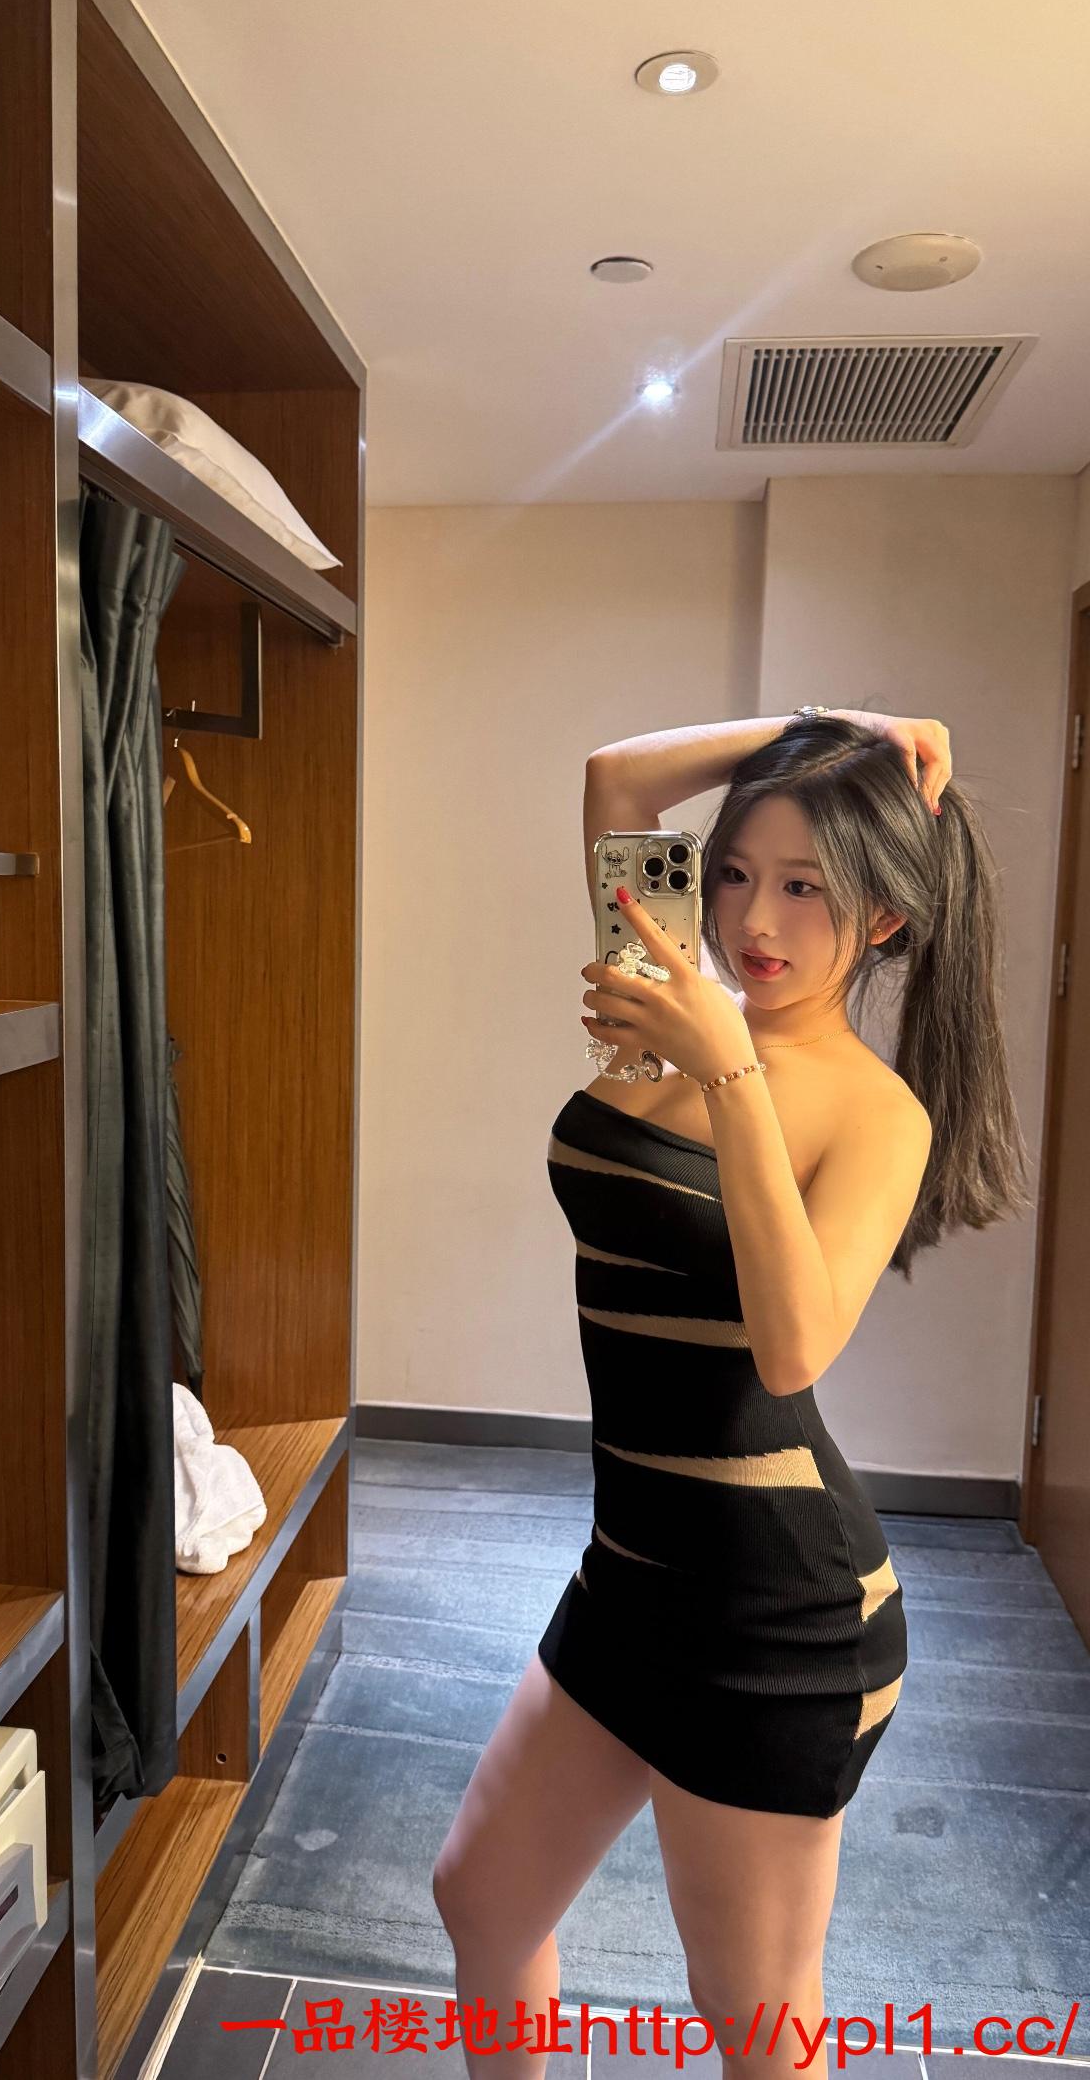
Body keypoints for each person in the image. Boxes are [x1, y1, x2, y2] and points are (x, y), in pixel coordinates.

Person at [431, 710, 1031, 2080]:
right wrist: (835, 724)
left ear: (885, 917)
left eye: (807, 887)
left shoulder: (870, 1110)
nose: (756, 918)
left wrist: (732, 1066)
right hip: (631, 1573)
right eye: (739, 872)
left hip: (775, 1615)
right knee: (483, 1900)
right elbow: (614, 777)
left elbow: (794, 1347)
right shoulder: (667, 1004)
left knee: (755, 2020)